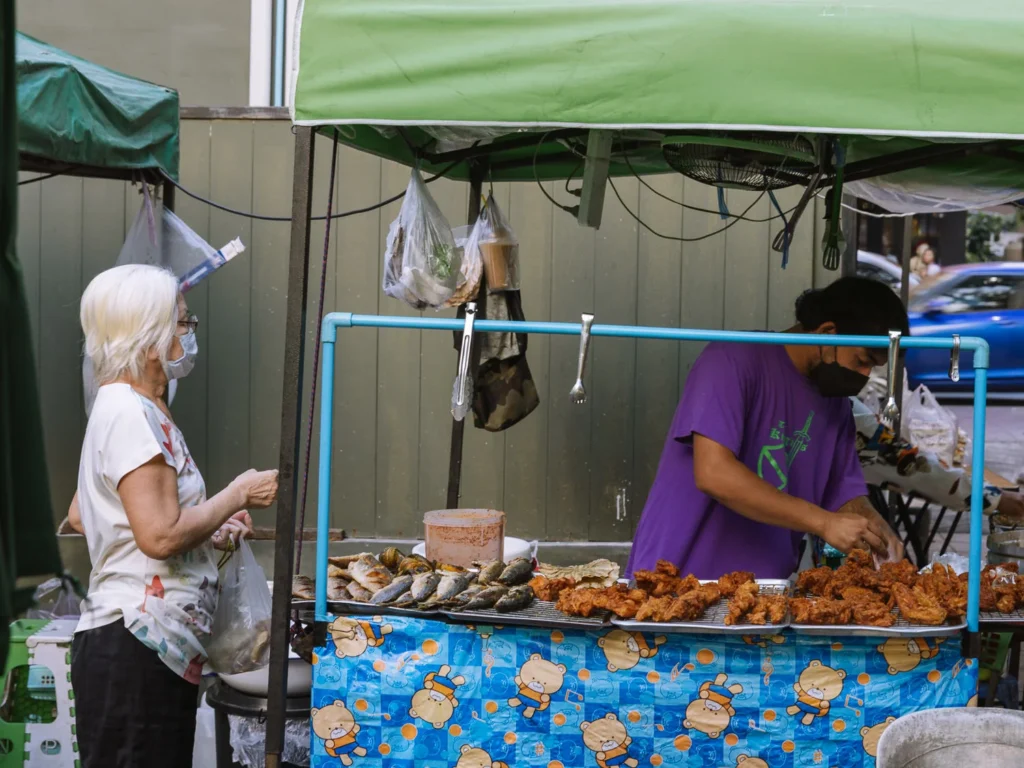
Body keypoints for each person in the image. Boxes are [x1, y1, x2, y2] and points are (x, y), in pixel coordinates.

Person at [67, 264, 279, 767]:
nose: (189, 333)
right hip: (135, 646)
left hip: (148, 646)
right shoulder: (127, 412)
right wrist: (236, 494)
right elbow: (159, 536)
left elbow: (86, 514)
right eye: (182, 323)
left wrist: (207, 529)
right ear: (149, 334)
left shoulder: (134, 407)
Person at [627, 277, 907, 580]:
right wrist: (823, 523)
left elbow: (842, 493)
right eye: (863, 360)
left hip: (766, 594)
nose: (865, 376)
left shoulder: (836, 405)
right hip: (678, 580)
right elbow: (713, 473)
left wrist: (878, 531)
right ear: (828, 333)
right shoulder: (732, 359)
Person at [852, 396, 1024, 519]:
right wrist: (994, 498)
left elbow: (903, 459)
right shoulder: (842, 406)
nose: (866, 373)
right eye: (862, 361)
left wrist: (993, 497)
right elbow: (901, 459)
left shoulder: (841, 402)